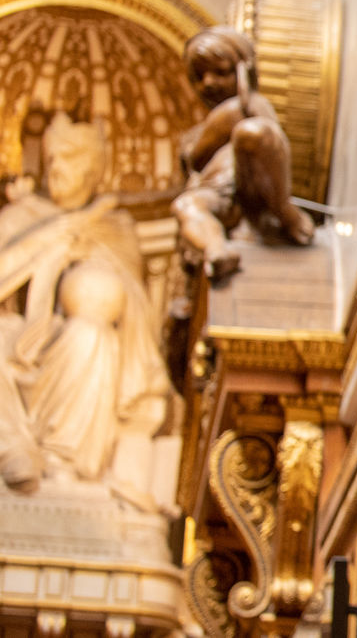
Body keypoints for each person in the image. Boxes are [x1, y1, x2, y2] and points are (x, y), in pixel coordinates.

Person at [0, 113, 169, 490]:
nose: (56, 167)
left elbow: (136, 309)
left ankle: (62, 460)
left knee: (93, 339)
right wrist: (51, 238)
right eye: (52, 157)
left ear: (94, 169)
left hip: (72, 337)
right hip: (17, 337)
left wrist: (86, 256)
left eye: (69, 157)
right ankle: (13, 449)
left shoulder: (115, 228)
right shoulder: (18, 217)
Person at [173, 27, 314, 281]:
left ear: (243, 70)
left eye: (221, 72)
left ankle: (285, 211)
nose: (208, 83)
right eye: (199, 76)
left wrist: (231, 115)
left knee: (252, 132)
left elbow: (270, 143)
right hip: (217, 196)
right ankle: (216, 250)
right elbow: (192, 167)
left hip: (252, 187)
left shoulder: (251, 106)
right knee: (186, 206)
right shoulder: (195, 134)